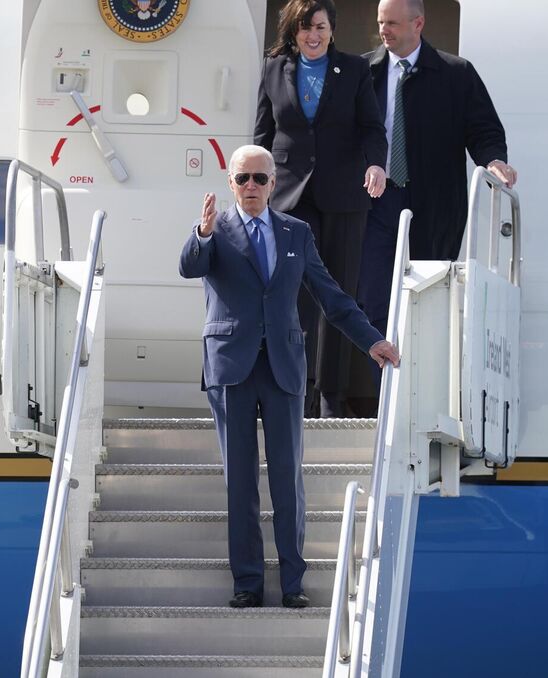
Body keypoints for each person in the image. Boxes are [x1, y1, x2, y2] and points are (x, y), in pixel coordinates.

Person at [179, 145, 399, 609]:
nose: (252, 187)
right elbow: (189, 267)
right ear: (231, 184)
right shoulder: (214, 230)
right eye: (243, 179)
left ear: (274, 183)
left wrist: (371, 341)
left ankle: (293, 583)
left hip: (283, 366)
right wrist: (201, 233)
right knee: (239, 481)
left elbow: (331, 296)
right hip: (231, 368)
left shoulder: (296, 232)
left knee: (287, 478)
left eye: (260, 179)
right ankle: (248, 583)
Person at [255, 0, 388, 418]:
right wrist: (253, 187)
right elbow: (262, 133)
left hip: (344, 198)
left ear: (332, 30)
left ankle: (331, 395)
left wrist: (375, 164)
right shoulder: (273, 69)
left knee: (338, 295)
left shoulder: (353, 70)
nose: (312, 35)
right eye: (304, 28)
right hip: (290, 196)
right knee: (293, 295)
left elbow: (371, 126)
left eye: (320, 27)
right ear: (292, 31)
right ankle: (294, 390)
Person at [359, 0, 518, 338]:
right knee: (372, 300)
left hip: (434, 204)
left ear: (418, 24)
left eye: (392, 24)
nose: (384, 31)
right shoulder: (362, 73)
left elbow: (483, 130)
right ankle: (385, 385)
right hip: (375, 202)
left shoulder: (456, 74)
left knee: (427, 296)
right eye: (381, 23)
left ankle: (417, 387)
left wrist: (493, 161)